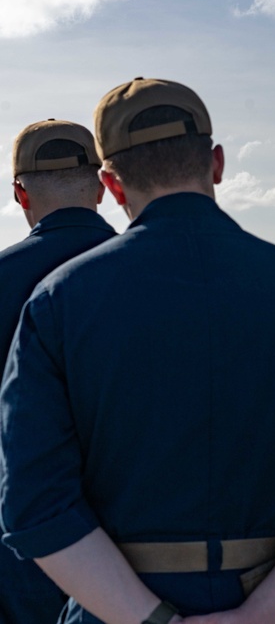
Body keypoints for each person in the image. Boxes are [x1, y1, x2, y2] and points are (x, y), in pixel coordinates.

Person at [0, 78, 275, 624]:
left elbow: (35, 503)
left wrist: (155, 619)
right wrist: (260, 614)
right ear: (215, 163)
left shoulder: (57, 304)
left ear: (111, 185)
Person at [0, 119, 116, 623]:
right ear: (102, 186)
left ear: (20, 194)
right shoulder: (162, 272)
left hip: (21, 551)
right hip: (142, 545)